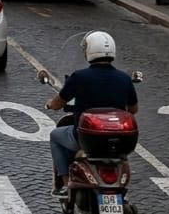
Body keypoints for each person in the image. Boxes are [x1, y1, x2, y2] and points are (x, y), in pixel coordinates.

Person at [44, 31, 138, 198]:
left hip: (87, 140)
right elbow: (133, 109)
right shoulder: (124, 78)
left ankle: (66, 185)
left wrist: (50, 104)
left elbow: (58, 103)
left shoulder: (79, 77)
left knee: (55, 135)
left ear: (89, 51)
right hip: (118, 140)